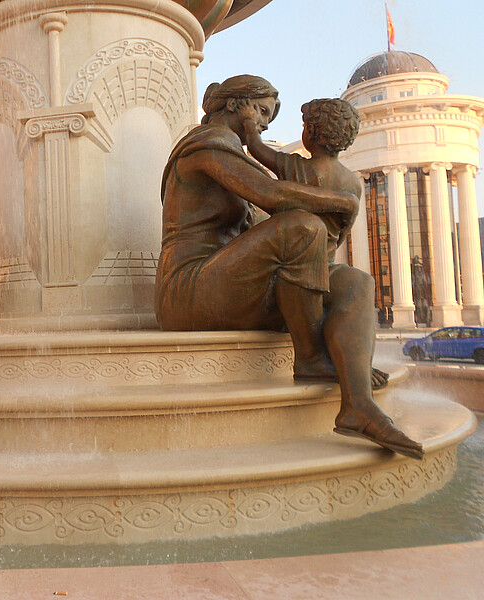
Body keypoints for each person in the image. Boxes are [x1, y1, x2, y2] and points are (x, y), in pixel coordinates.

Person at [155, 75, 423, 459]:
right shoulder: (207, 145)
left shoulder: (234, 154)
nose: (264, 124)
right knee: (301, 226)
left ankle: (358, 405)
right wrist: (341, 202)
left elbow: (279, 210)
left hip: (224, 283)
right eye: (261, 111)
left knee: (354, 283)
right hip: (187, 289)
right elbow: (273, 195)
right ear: (234, 105)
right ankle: (312, 358)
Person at [243, 98, 361, 265]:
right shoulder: (353, 183)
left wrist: (249, 121)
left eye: (304, 126)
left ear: (310, 130)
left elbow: (256, 147)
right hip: (324, 261)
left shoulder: (295, 166)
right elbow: (343, 232)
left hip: (292, 258)